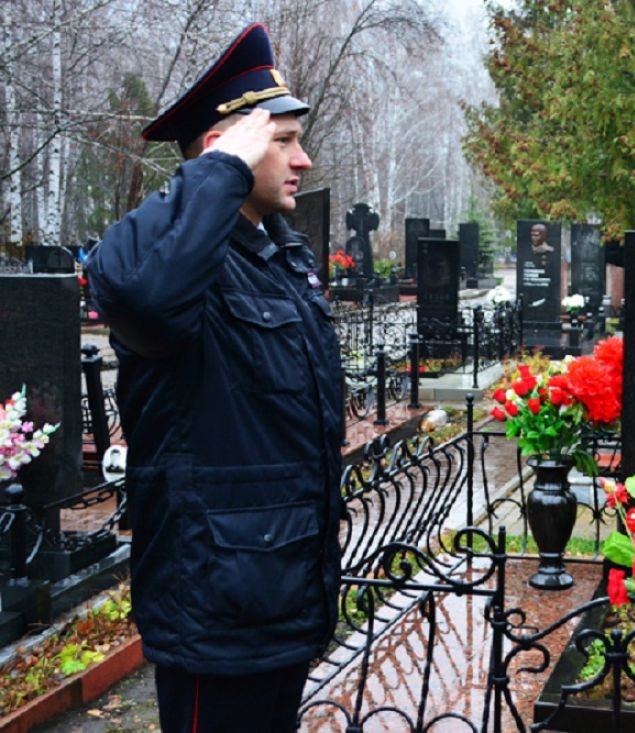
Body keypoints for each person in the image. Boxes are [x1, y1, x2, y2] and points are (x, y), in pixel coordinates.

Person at [85, 24, 344, 733]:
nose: (303, 159)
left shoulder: (274, 255)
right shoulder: (171, 263)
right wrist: (223, 170)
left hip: (280, 595)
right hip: (218, 608)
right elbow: (142, 297)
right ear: (223, 149)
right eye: (283, 141)